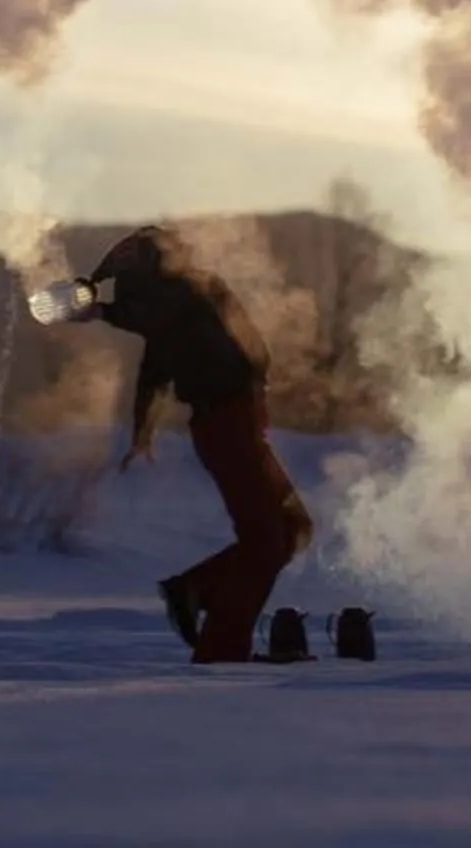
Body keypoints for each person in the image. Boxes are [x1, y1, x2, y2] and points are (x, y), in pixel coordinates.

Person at [47, 225, 312, 663]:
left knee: (292, 529)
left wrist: (98, 303)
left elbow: (156, 357)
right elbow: (156, 337)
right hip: (224, 426)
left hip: (239, 423)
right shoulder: (175, 304)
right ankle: (221, 650)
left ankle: (195, 590)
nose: (183, 254)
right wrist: (100, 306)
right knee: (266, 540)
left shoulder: (192, 297)